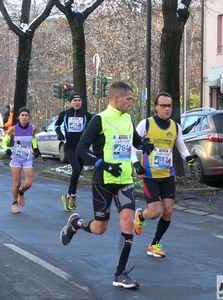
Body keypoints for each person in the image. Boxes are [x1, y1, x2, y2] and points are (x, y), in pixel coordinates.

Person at [60, 81, 152, 289]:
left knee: (128, 222)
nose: (131, 103)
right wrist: (104, 164)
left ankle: (120, 274)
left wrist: (145, 144)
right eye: (128, 99)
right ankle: (76, 223)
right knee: (100, 228)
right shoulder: (99, 120)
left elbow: (135, 142)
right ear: (116, 98)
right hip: (103, 180)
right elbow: (82, 149)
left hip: (125, 180)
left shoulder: (128, 118)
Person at [133, 92, 195, 258]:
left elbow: (181, 147)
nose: (167, 109)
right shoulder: (145, 124)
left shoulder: (175, 127)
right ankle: (141, 215)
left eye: (169, 106)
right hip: (150, 175)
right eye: (163, 106)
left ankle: (154, 244)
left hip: (168, 175)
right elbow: (132, 145)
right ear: (156, 107)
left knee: (168, 212)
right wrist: (135, 162)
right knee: (154, 212)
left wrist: (188, 158)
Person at [55, 92, 93, 211]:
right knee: (76, 169)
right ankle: (73, 195)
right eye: (75, 100)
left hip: (81, 147)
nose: (77, 102)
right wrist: (60, 134)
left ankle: (69, 196)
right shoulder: (65, 114)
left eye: (79, 101)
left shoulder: (86, 115)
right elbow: (57, 125)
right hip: (70, 147)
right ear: (70, 102)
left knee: (77, 172)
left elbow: (93, 127)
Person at [1, 107, 41, 214]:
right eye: (22, 115)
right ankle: (15, 203)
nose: (24, 117)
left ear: (28, 117)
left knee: (28, 183)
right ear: (18, 117)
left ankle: (21, 192)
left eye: (26, 115)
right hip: (16, 158)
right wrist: (6, 150)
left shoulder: (33, 128)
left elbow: (34, 139)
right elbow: (3, 142)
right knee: (17, 182)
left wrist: (36, 148)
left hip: (27, 158)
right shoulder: (13, 129)